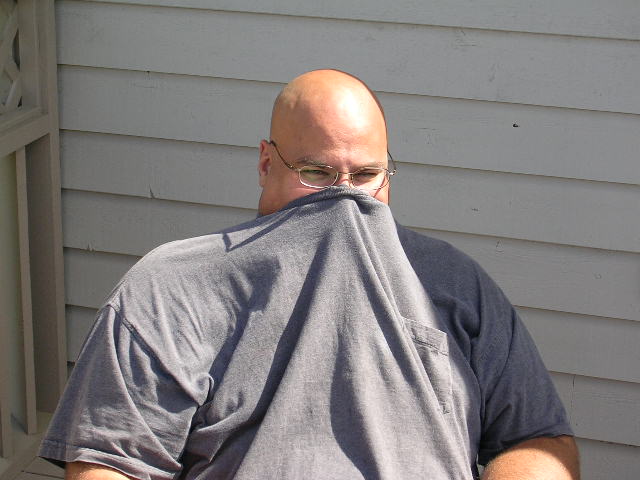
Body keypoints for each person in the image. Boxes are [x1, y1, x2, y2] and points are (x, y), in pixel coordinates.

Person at [40, 69, 579, 479]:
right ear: (265, 163)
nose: (345, 199)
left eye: (365, 175)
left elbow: (538, 438)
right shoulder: (172, 287)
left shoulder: (455, 282)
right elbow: (109, 461)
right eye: (317, 173)